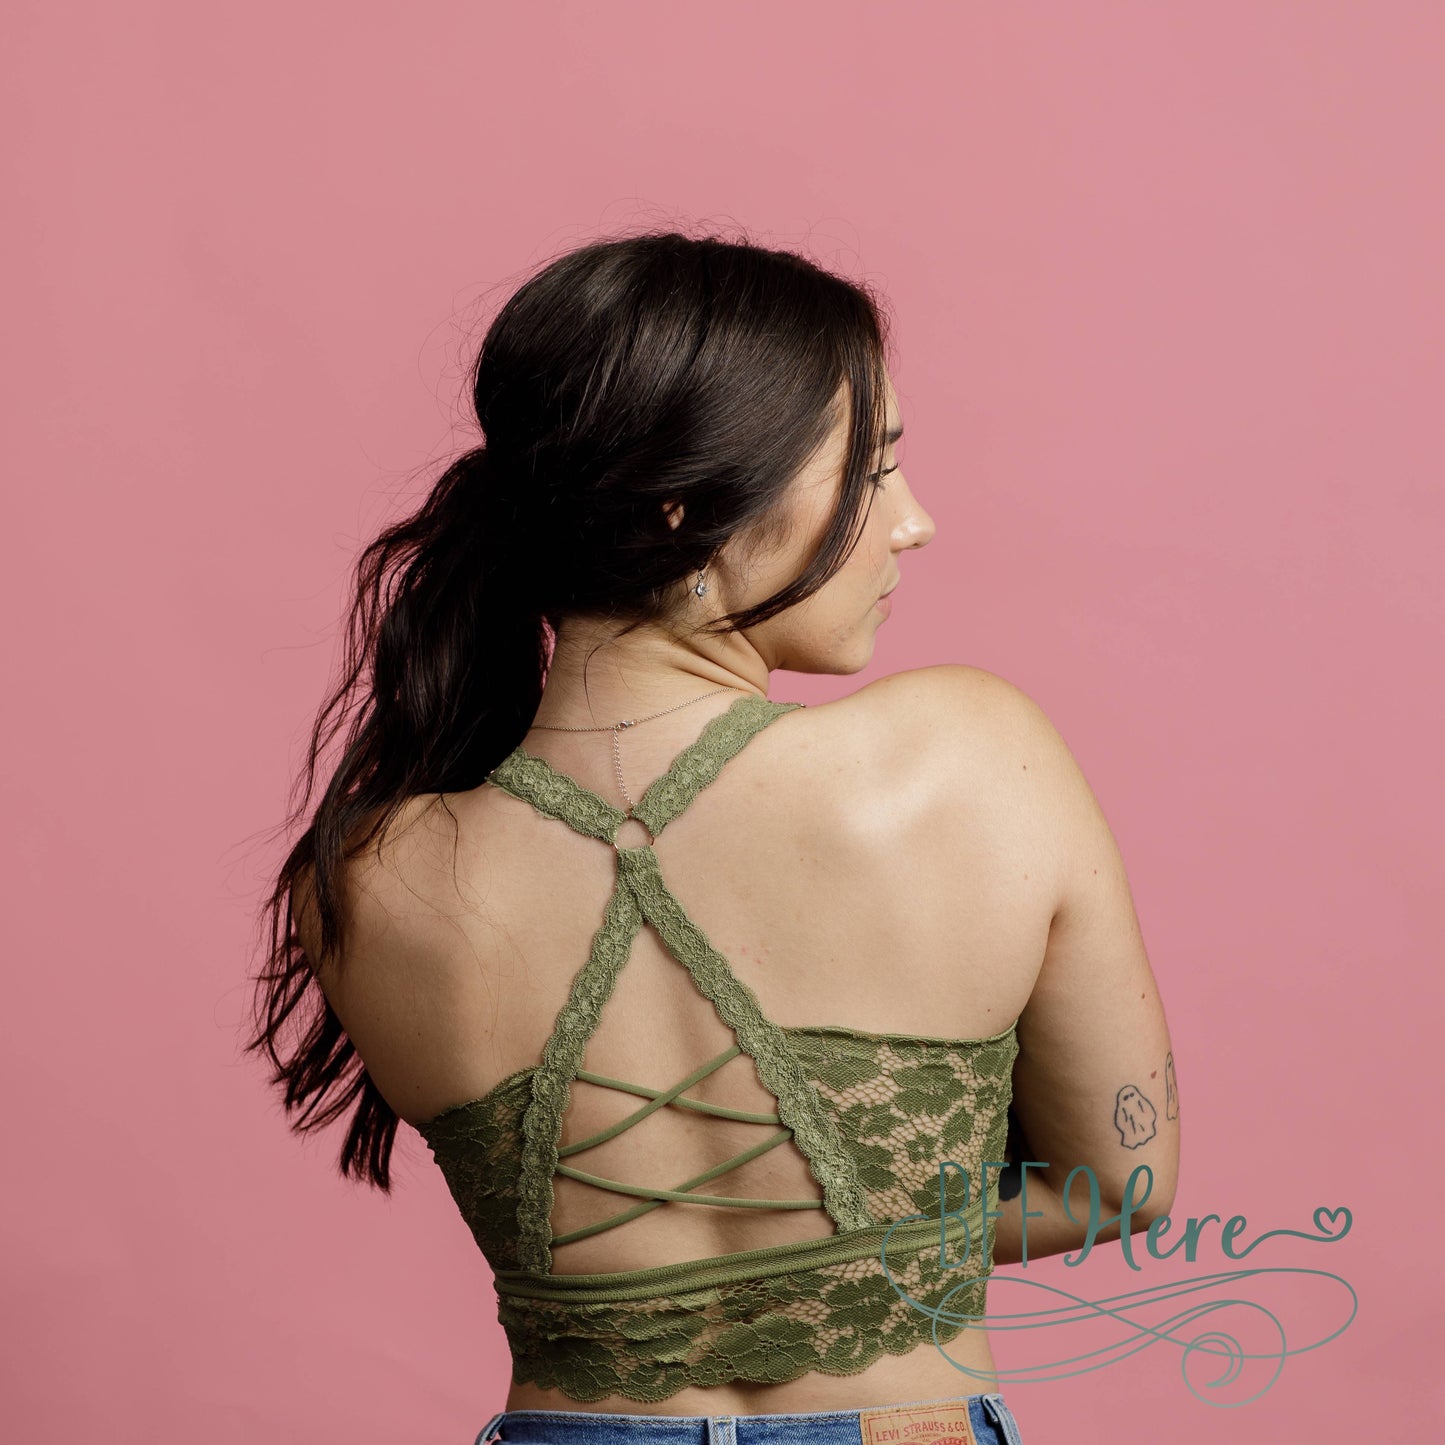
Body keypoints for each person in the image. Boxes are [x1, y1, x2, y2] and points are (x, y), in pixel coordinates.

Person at [247, 229, 1180, 1445]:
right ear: (683, 507)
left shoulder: (367, 879)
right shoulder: (968, 756)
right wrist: (864, 1237)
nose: (910, 522)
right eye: (872, 471)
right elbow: (1121, 1180)